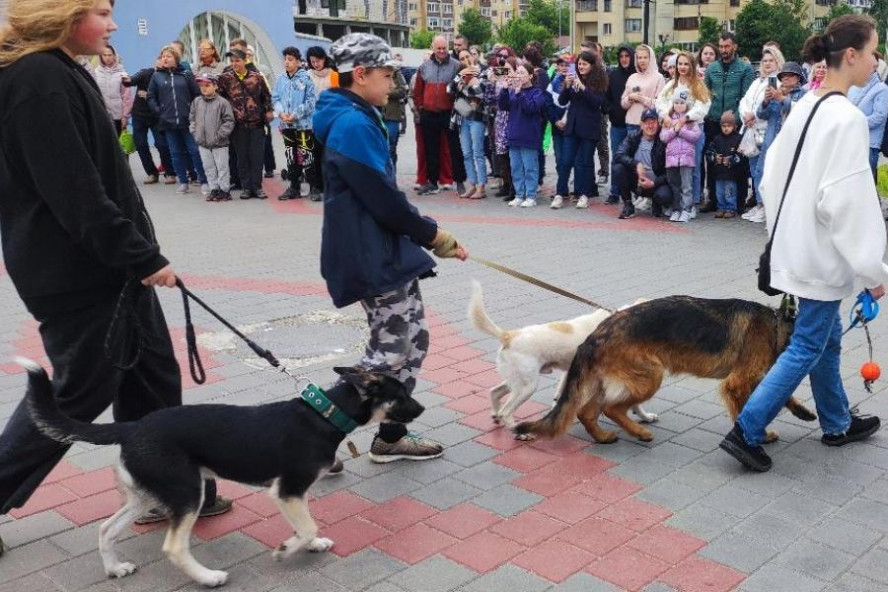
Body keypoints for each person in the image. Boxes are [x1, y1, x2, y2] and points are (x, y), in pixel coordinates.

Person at [0, 0, 232, 553]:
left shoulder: (57, 70)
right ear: (60, 13)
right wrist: (142, 255)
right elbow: (74, 192)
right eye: (101, 12)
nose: (113, 24)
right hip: (78, 274)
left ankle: (163, 488)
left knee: (150, 376)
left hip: (109, 269)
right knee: (73, 398)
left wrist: (136, 254)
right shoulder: (36, 79)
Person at [721, 14, 888, 473]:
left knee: (825, 340)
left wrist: (783, 235)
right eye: (873, 51)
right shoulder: (848, 119)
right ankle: (747, 428)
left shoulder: (807, 106)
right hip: (820, 257)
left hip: (795, 249)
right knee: (808, 345)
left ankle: (835, 422)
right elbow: (850, 202)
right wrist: (874, 271)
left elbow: (771, 179)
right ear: (851, 56)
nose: (876, 60)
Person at [313, 33, 469, 463]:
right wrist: (433, 235)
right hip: (370, 255)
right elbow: (382, 199)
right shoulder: (351, 123)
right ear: (359, 75)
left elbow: (382, 197)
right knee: (389, 351)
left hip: (383, 250)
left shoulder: (357, 114)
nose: (393, 85)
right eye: (386, 76)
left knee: (413, 341)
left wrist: (424, 232)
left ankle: (391, 435)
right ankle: (314, 434)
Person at [749, 61, 807, 224]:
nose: (786, 79)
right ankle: (763, 206)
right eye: (783, 77)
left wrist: (781, 98)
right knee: (762, 172)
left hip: (790, 142)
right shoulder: (775, 93)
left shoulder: (802, 95)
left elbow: (801, 113)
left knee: (787, 177)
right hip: (771, 140)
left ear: (798, 78)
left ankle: (787, 212)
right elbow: (761, 114)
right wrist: (766, 101)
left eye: (790, 76)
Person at [703, 32, 755, 212]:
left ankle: (739, 201)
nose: (724, 50)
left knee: (738, 162)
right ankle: (713, 199)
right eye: (721, 46)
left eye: (727, 46)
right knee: (713, 161)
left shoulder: (745, 68)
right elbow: (705, 95)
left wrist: (733, 118)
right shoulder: (711, 68)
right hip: (713, 120)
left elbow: (746, 96)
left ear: (735, 47)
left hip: (736, 122)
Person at [656, 51, 712, 216]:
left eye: (686, 64)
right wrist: (665, 115)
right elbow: (660, 102)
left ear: (692, 66)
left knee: (692, 168)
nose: (682, 67)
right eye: (680, 64)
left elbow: (703, 106)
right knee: (675, 169)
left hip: (691, 129)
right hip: (673, 131)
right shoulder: (671, 85)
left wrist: (686, 118)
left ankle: (692, 203)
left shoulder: (698, 84)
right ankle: (677, 205)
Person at [147, 45, 209, 195]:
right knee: (175, 153)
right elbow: (150, 97)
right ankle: (183, 182)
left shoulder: (186, 74)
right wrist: (158, 111)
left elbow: (196, 95)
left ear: (175, 58)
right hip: (167, 122)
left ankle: (204, 181)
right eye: (163, 56)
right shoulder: (157, 76)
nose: (165, 59)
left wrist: (195, 114)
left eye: (168, 56)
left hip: (187, 121)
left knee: (194, 151)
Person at [217, 48, 273, 200]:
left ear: (245, 61)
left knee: (257, 156)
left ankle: (257, 187)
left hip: (256, 123)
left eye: (238, 60)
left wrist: (269, 111)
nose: (235, 64)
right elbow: (220, 98)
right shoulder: (225, 78)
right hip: (237, 124)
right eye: (232, 61)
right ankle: (246, 187)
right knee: (242, 157)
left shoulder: (257, 78)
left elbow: (266, 97)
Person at [414, 36, 466, 196]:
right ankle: (432, 182)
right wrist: (421, 108)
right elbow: (417, 91)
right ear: (433, 48)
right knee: (430, 150)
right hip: (429, 114)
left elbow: (462, 91)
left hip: (449, 113)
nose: (442, 51)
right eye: (439, 48)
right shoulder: (424, 67)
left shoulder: (457, 66)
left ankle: (459, 181)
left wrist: (460, 111)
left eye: (444, 48)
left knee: (455, 148)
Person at [556, 51, 607, 209]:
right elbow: (562, 100)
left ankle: (584, 194)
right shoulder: (572, 79)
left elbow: (597, 102)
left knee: (584, 163)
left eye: (584, 64)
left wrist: (584, 88)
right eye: (579, 64)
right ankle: (559, 193)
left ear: (592, 66)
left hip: (589, 129)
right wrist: (567, 86)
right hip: (572, 127)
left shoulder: (599, 81)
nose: (581, 66)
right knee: (565, 161)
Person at [738, 46, 785, 220]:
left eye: (770, 60)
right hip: (751, 130)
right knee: (753, 168)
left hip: (767, 130)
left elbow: (772, 108)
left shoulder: (778, 82)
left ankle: (766, 205)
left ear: (777, 61)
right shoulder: (757, 81)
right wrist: (745, 115)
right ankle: (758, 203)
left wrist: (754, 115)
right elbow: (744, 100)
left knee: (763, 170)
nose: (766, 63)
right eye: (764, 60)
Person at [272, 46, 319, 200]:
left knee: (307, 155)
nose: (287, 62)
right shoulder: (280, 79)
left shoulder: (306, 78)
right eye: (285, 59)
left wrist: (295, 114)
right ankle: (294, 187)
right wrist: (281, 112)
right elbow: (275, 98)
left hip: (303, 126)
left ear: (298, 62)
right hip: (286, 126)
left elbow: (311, 101)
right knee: (291, 156)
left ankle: (314, 187)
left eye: (290, 59)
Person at [612, 108, 673, 219]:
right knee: (618, 168)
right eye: (647, 123)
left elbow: (670, 171)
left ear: (658, 124)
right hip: (637, 182)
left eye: (653, 122)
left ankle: (656, 202)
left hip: (656, 183)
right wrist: (636, 164)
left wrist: (654, 183)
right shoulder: (633, 137)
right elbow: (618, 155)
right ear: (641, 124)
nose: (650, 126)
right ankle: (628, 204)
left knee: (664, 196)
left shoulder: (664, 140)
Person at [500, 63, 546, 207]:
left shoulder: (537, 93)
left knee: (530, 167)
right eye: (517, 73)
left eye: (522, 73)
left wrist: (519, 93)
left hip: (529, 136)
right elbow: (503, 106)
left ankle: (530, 196)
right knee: (516, 167)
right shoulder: (513, 91)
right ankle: (519, 195)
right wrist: (505, 89)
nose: (518, 76)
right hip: (514, 135)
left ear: (530, 76)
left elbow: (530, 108)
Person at [124, 57, 176, 184]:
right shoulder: (146, 73)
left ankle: (169, 172)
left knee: (162, 144)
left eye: (166, 59)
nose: (162, 61)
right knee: (141, 145)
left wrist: (148, 95)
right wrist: (125, 78)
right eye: (160, 58)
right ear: (155, 62)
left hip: (156, 116)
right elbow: (130, 81)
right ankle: (152, 173)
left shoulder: (169, 77)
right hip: (139, 115)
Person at [190, 73, 235, 202]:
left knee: (222, 167)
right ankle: (214, 188)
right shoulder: (197, 102)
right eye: (201, 86)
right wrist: (195, 132)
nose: (204, 88)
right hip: (202, 142)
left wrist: (219, 135)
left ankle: (224, 190)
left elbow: (229, 121)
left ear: (215, 86)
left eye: (207, 85)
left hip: (219, 143)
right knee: (208, 167)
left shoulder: (222, 103)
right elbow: (192, 119)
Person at [449, 49, 488, 199]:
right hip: (463, 117)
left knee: (477, 152)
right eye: (462, 58)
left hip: (477, 117)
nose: (465, 59)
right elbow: (450, 89)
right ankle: (472, 184)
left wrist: (464, 88)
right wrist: (461, 77)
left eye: (467, 56)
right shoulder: (460, 73)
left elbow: (481, 92)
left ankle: (481, 186)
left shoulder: (484, 70)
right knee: (466, 153)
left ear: (472, 56)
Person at [660, 89, 702, 223]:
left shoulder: (690, 121)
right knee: (674, 185)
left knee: (686, 186)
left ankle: (686, 209)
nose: (679, 105)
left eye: (682, 103)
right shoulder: (668, 119)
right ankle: (676, 209)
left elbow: (696, 136)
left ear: (687, 105)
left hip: (686, 159)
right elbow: (663, 137)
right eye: (676, 102)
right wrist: (674, 130)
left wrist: (681, 131)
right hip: (671, 159)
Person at [604, 45, 636, 203]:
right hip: (617, 125)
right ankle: (614, 191)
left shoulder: (637, 76)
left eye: (627, 56)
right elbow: (607, 97)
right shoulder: (613, 75)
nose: (624, 59)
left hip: (635, 125)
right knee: (617, 158)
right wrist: (611, 110)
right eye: (621, 56)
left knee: (634, 159)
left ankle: (634, 191)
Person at [848, 61, 888, 181]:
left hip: (869, 143)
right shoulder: (852, 86)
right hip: (851, 140)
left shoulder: (882, 89)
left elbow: (879, 116)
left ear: (873, 68)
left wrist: (854, 122)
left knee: (865, 184)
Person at [706, 110, 743, 218]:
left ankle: (731, 208)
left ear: (734, 126)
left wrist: (731, 160)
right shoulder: (717, 138)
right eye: (723, 126)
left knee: (730, 192)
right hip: (719, 172)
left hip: (731, 173)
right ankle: (721, 207)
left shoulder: (737, 139)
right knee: (719, 192)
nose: (726, 128)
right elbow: (709, 152)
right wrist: (715, 158)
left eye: (729, 126)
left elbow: (740, 155)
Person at [93, 44, 131, 136]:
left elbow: (127, 96)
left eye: (109, 55)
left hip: (117, 115)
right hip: (101, 114)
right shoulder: (95, 72)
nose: (107, 58)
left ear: (114, 56)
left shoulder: (123, 73)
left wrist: (125, 116)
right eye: (104, 55)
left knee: (115, 143)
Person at [382, 66, 409, 173]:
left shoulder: (397, 73)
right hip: (377, 115)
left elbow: (403, 91)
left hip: (392, 116)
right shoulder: (376, 71)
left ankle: (390, 176)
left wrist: (387, 92)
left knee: (391, 147)